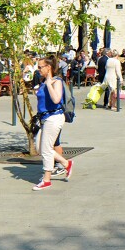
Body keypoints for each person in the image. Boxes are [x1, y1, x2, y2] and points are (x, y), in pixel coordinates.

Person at [33, 57, 74, 189]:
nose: (38, 69)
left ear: (48, 67)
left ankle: (47, 179)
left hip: (54, 117)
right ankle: (66, 164)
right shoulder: (43, 82)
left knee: (46, 149)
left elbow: (56, 99)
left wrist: (49, 83)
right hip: (44, 118)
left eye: (40, 67)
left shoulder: (57, 81)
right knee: (40, 147)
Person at [102, 46, 122, 112]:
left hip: (107, 76)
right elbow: (118, 71)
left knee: (111, 91)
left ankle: (110, 104)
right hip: (113, 77)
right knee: (115, 92)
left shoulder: (108, 60)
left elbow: (105, 68)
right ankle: (113, 105)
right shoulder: (117, 61)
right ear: (117, 55)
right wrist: (121, 79)